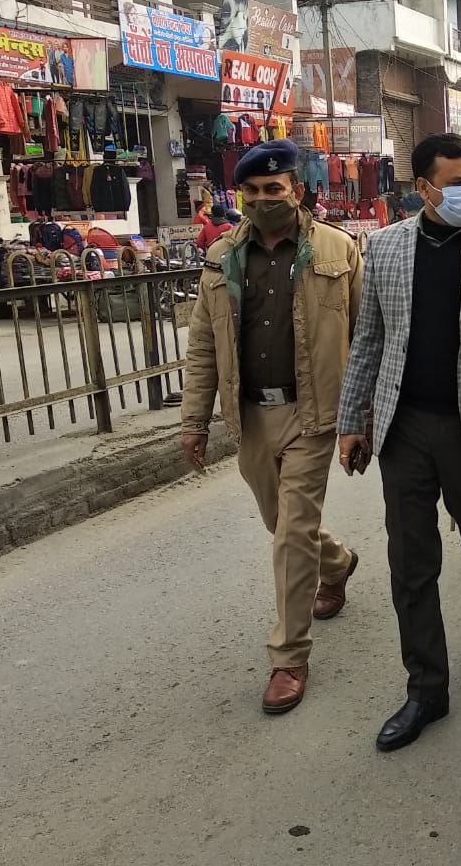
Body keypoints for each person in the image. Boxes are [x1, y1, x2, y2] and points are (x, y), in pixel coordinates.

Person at [336, 132, 461, 752]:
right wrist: (354, 420)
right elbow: (368, 338)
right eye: (456, 182)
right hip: (405, 427)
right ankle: (428, 687)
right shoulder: (387, 246)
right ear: (423, 187)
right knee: (411, 562)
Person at [180, 139, 363, 715]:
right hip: (251, 415)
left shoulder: (339, 250)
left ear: (297, 190)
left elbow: (365, 337)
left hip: (314, 414)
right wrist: (194, 421)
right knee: (279, 521)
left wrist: (362, 417)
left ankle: (288, 658)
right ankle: (337, 563)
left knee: (290, 534)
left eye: (274, 190)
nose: (263, 201)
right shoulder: (220, 258)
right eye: (253, 192)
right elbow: (204, 343)